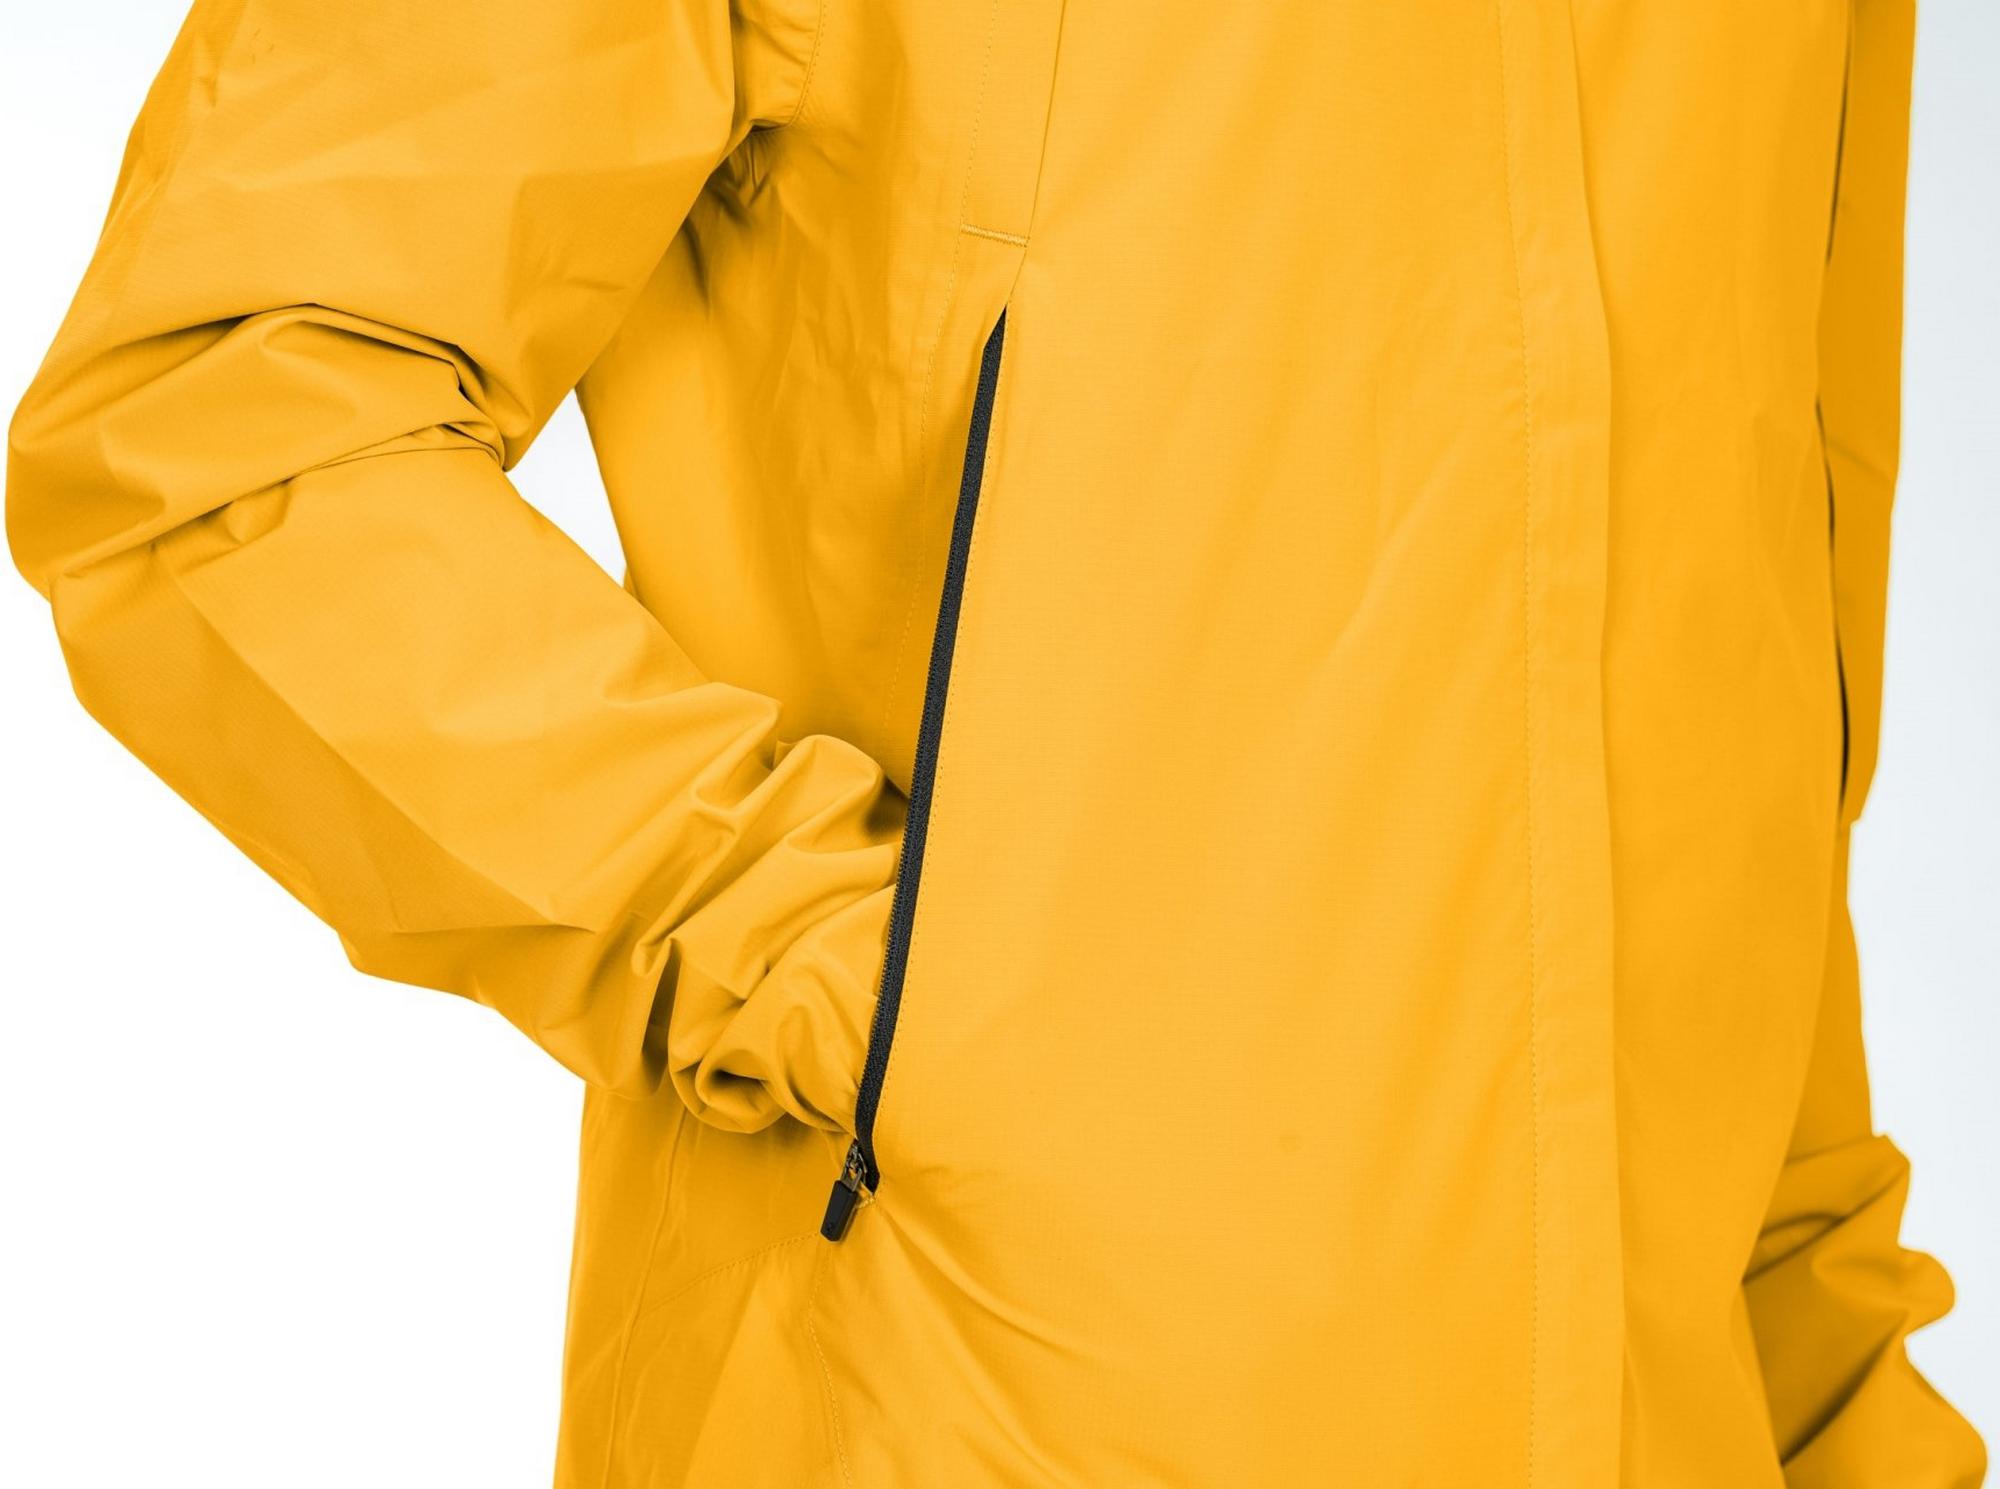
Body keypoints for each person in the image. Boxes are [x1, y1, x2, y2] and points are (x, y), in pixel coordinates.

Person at [6, 1, 1983, 1484]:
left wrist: (1837, 1397)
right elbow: (212, 422)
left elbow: (1737, 687)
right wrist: (858, 985)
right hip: (969, 1403)